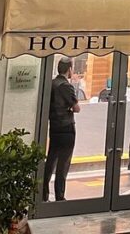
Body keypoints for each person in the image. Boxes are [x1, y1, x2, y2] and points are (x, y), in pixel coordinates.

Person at [42, 58, 80, 202]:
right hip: (66, 127)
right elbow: (77, 108)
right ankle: (60, 196)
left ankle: (43, 194)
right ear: (69, 69)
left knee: (51, 160)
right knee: (63, 164)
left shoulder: (51, 83)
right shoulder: (66, 86)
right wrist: (70, 107)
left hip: (54, 127)